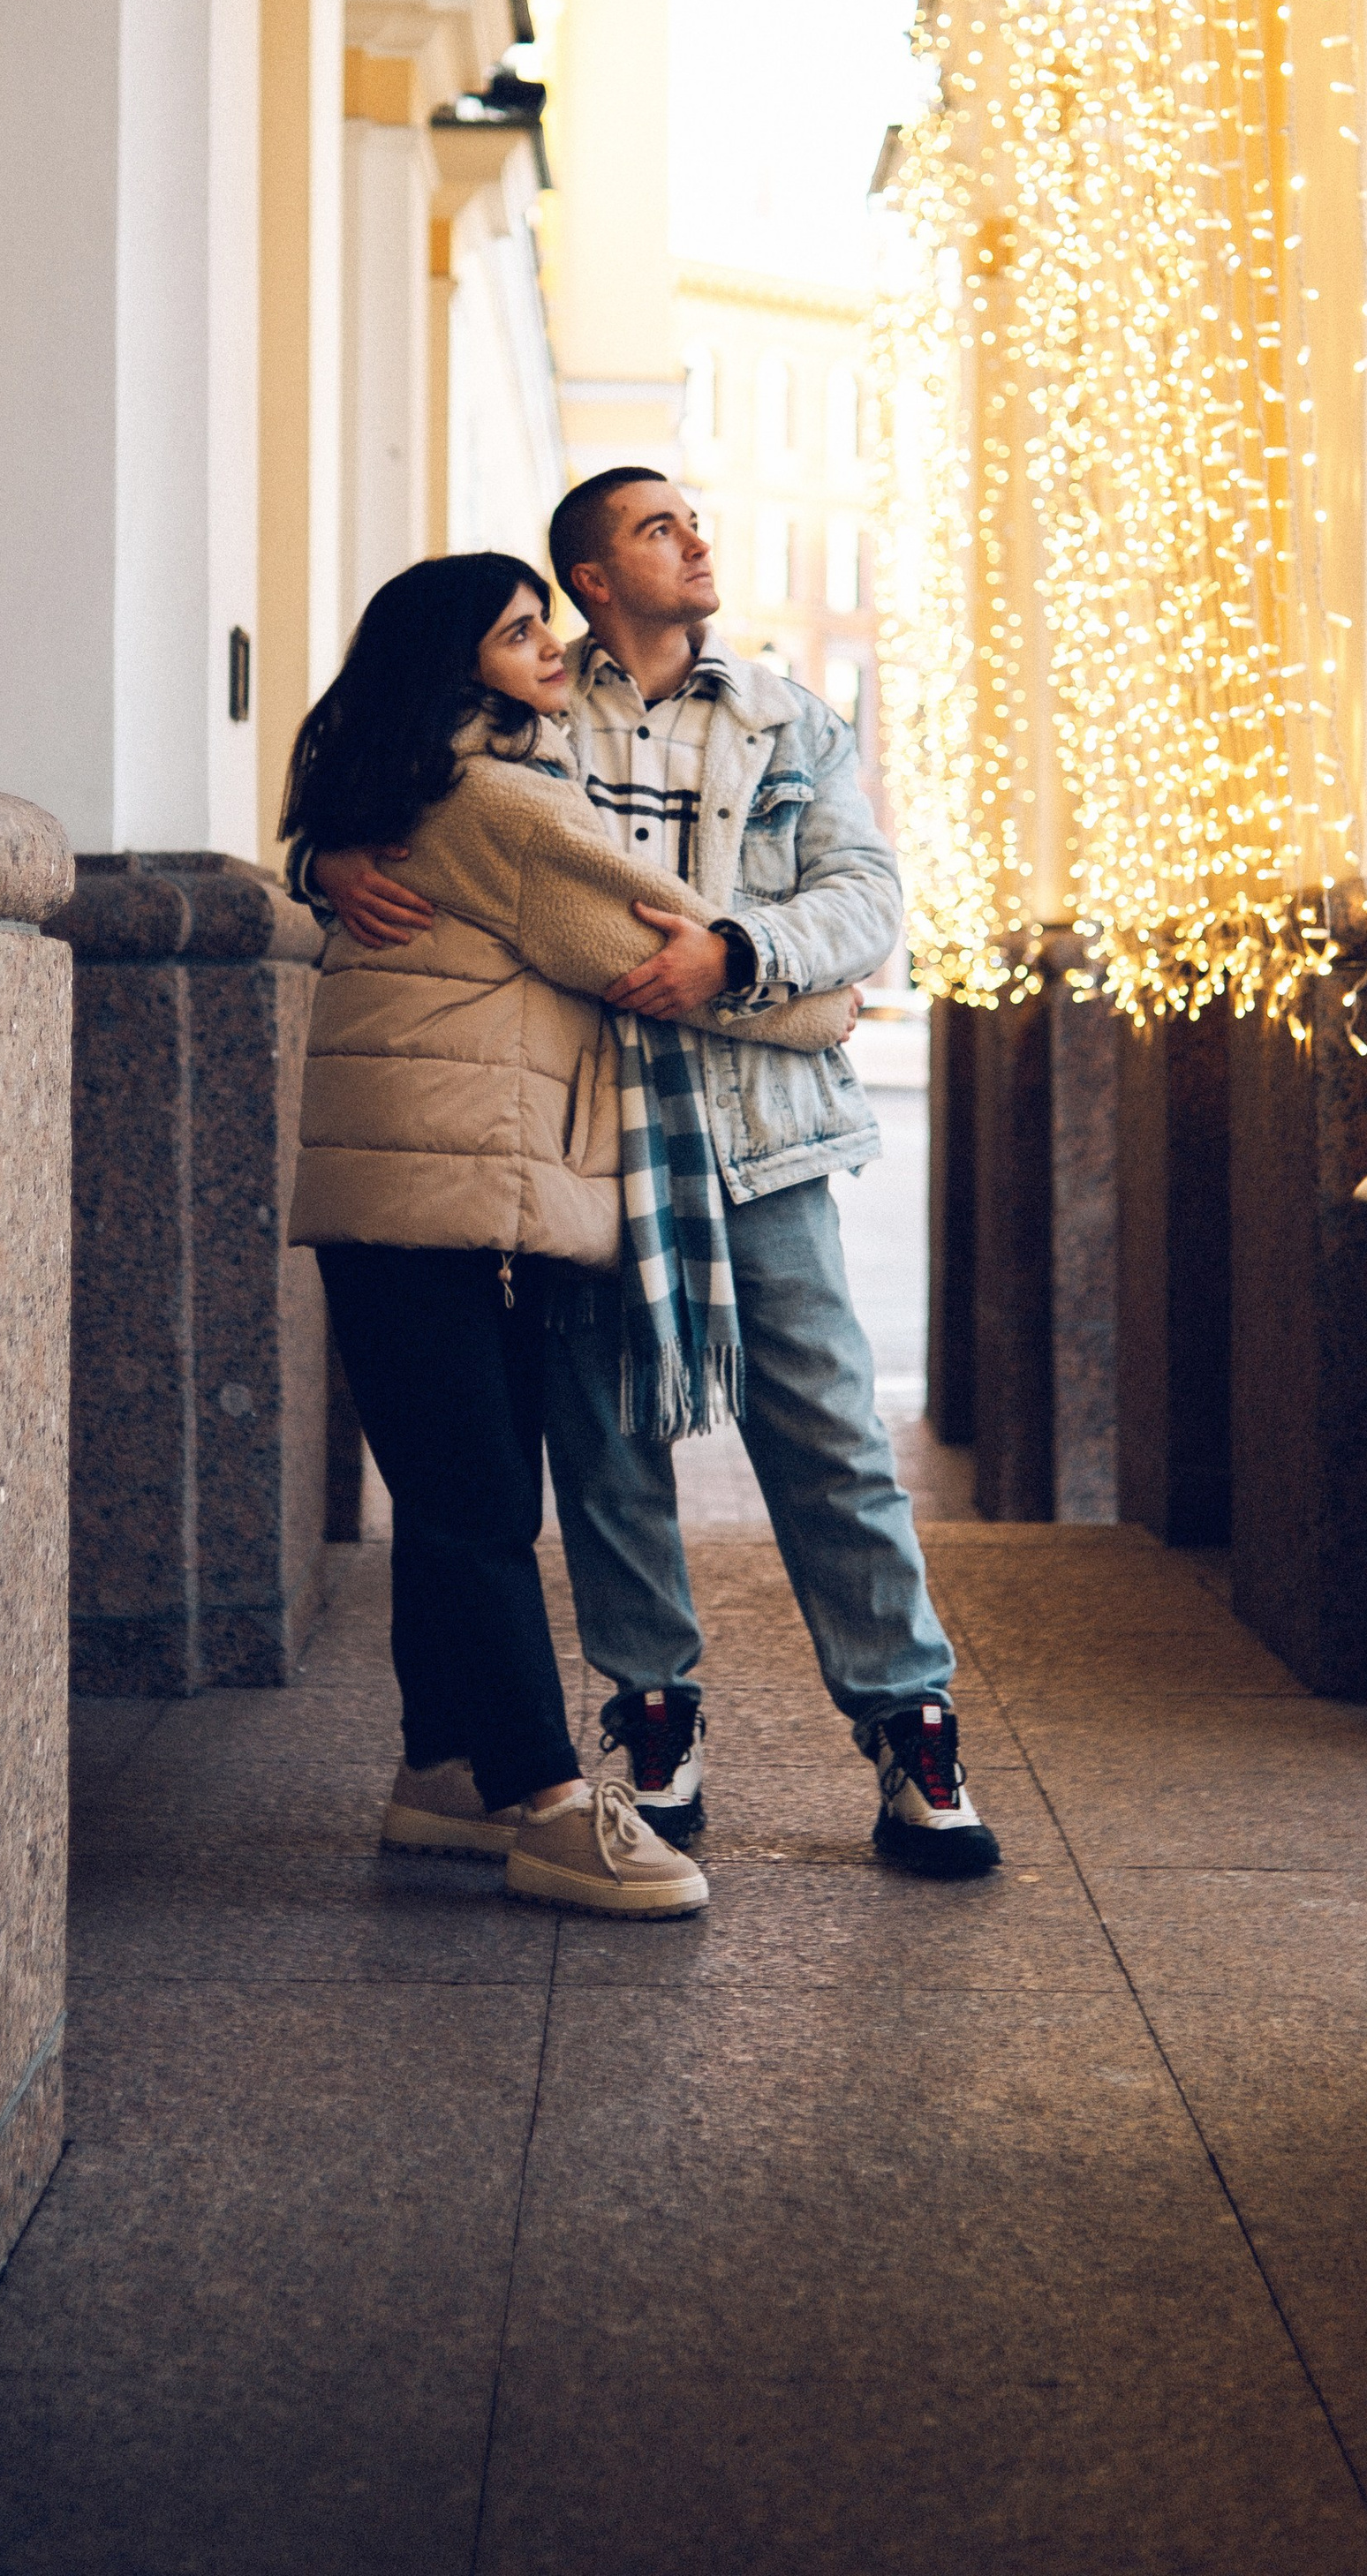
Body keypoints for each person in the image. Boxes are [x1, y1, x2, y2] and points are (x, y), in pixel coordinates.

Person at [306, 469, 1000, 1880]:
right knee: (607, 1444)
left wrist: (743, 958)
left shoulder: (783, 717)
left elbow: (865, 895)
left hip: (762, 1134)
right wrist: (325, 857)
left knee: (827, 1434)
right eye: (658, 527)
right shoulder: (536, 713)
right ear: (595, 579)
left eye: (698, 520)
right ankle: (652, 1714)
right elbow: (422, 802)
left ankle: (907, 1722)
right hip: (592, 1129)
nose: (699, 538)